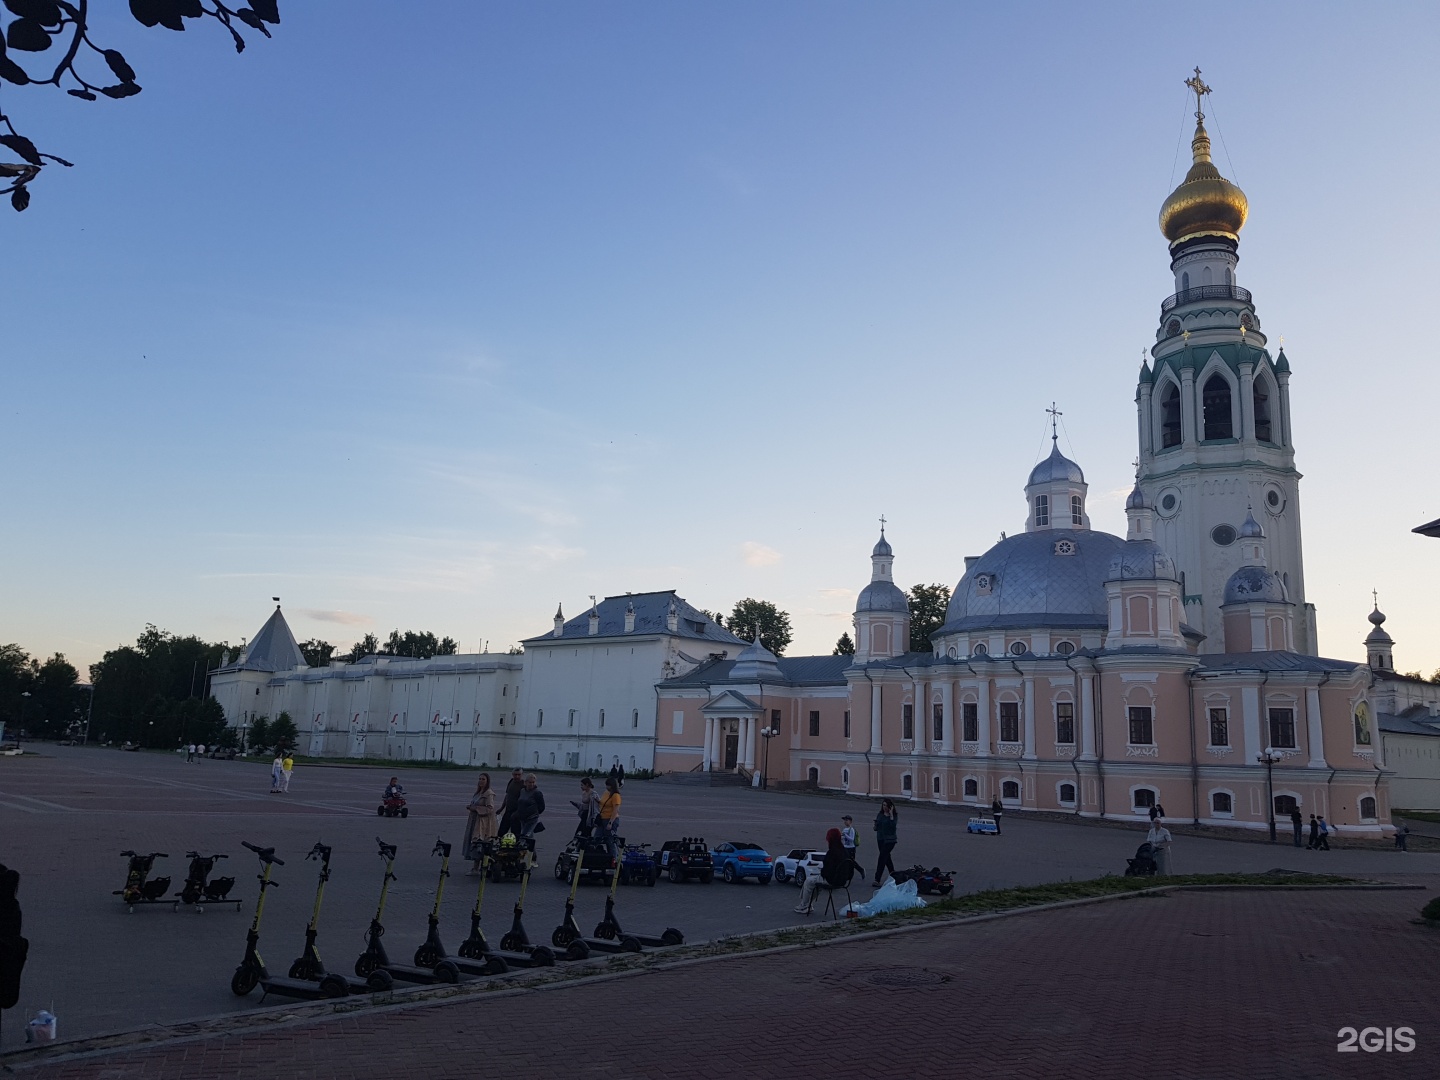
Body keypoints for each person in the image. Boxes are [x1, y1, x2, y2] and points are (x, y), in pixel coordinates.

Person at [795, 829, 851, 914]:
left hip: (831, 880)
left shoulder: (831, 852)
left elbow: (826, 871)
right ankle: (809, 904)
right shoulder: (845, 851)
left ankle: (804, 905)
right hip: (842, 881)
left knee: (808, 881)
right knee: (816, 883)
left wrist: (821, 871)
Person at [464, 774, 496, 873]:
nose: (481, 781)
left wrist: (476, 808)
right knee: (474, 841)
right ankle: (476, 866)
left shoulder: (488, 793)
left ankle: (480, 867)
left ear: (487, 781)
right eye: (480, 779)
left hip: (483, 822)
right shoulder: (478, 792)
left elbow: (490, 808)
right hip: (474, 820)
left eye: (483, 779)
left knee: (479, 841)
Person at [872, 799, 898, 887]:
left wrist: (890, 815)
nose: (884, 807)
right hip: (880, 839)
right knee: (887, 857)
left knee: (882, 858)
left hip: (890, 840)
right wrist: (875, 826)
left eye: (886, 805)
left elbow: (893, 827)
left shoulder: (894, 815)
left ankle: (877, 879)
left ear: (890, 807)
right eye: (883, 805)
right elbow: (877, 827)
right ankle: (893, 874)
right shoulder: (880, 815)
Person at [597, 777, 622, 859]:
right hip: (602, 819)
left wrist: (610, 822)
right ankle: (599, 856)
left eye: (608, 785)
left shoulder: (616, 795)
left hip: (610, 819)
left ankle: (614, 858)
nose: (606, 787)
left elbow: (615, 810)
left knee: (610, 841)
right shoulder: (606, 793)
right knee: (596, 838)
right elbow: (602, 802)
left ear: (612, 786)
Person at [514, 774, 546, 839]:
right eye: (530, 782)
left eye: (533, 782)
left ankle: (530, 849)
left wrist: (534, 813)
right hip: (522, 818)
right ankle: (531, 849)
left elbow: (542, 807)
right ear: (525, 782)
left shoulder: (537, 793)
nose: (531, 784)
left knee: (525, 836)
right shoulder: (522, 791)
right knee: (527, 836)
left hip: (531, 819)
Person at [497, 768, 525, 836]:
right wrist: (501, 808)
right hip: (508, 810)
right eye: (515, 774)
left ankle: (515, 846)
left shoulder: (524, 785)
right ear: (512, 774)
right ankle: (502, 845)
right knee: (501, 832)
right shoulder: (511, 781)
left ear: (522, 775)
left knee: (515, 833)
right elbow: (507, 796)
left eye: (519, 775)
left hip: (517, 812)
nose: (517, 776)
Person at [839, 814, 864, 879]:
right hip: (845, 847)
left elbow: (852, 839)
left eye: (846, 820)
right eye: (844, 820)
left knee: (852, 862)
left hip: (851, 848)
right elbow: (842, 838)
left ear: (850, 821)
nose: (845, 821)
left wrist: (845, 835)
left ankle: (860, 870)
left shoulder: (851, 829)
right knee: (845, 861)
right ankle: (846, 875)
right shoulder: (844, 829)